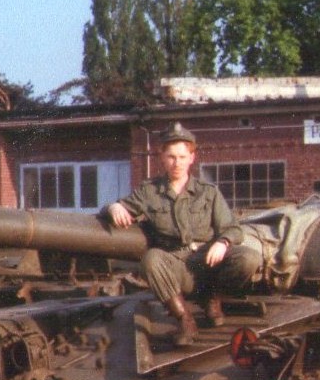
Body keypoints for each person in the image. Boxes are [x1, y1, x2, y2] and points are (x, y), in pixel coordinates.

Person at [105, 122, 261, 346]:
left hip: (209, 262)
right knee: (151, 259)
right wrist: (114, 207)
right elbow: (118, 207)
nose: (176, 163)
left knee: (249, 258)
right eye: (171, 157)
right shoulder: (150, 192)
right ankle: (184, 319)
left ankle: (213, 298)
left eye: (182, 156)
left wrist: (223, 242)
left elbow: (233, 228)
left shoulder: (208, 193)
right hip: (176, 266)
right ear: (162, 157)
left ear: (191, 158)